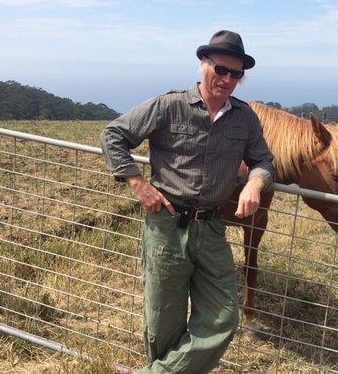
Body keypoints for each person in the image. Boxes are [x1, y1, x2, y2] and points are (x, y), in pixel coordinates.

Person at [100, 30, 274, 373]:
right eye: (220, 69)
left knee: (224, 317)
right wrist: (137, 183)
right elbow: (113, 135)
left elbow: (263, 159)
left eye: (235, 74)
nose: (226, 79)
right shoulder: (170, 106)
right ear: (202, 64)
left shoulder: (244, 117)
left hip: (211, 227)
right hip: (167, 225)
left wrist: (255, 183)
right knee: (164, 318)